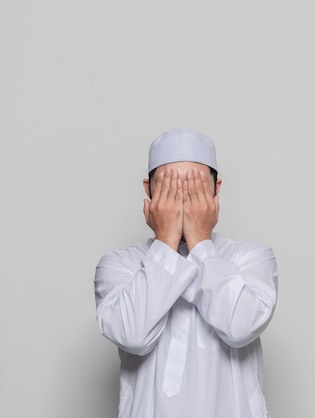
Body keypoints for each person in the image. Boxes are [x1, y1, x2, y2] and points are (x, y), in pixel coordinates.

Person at [94, 127, 278, 418]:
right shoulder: (121, 264)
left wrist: (200, 241)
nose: (182, 199)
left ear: (216, 190)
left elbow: (240, 327)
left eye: (195, 188)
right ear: (149, 191)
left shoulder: (250, 258)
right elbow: (132, 335)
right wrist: (166, 241)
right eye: (169, 188)